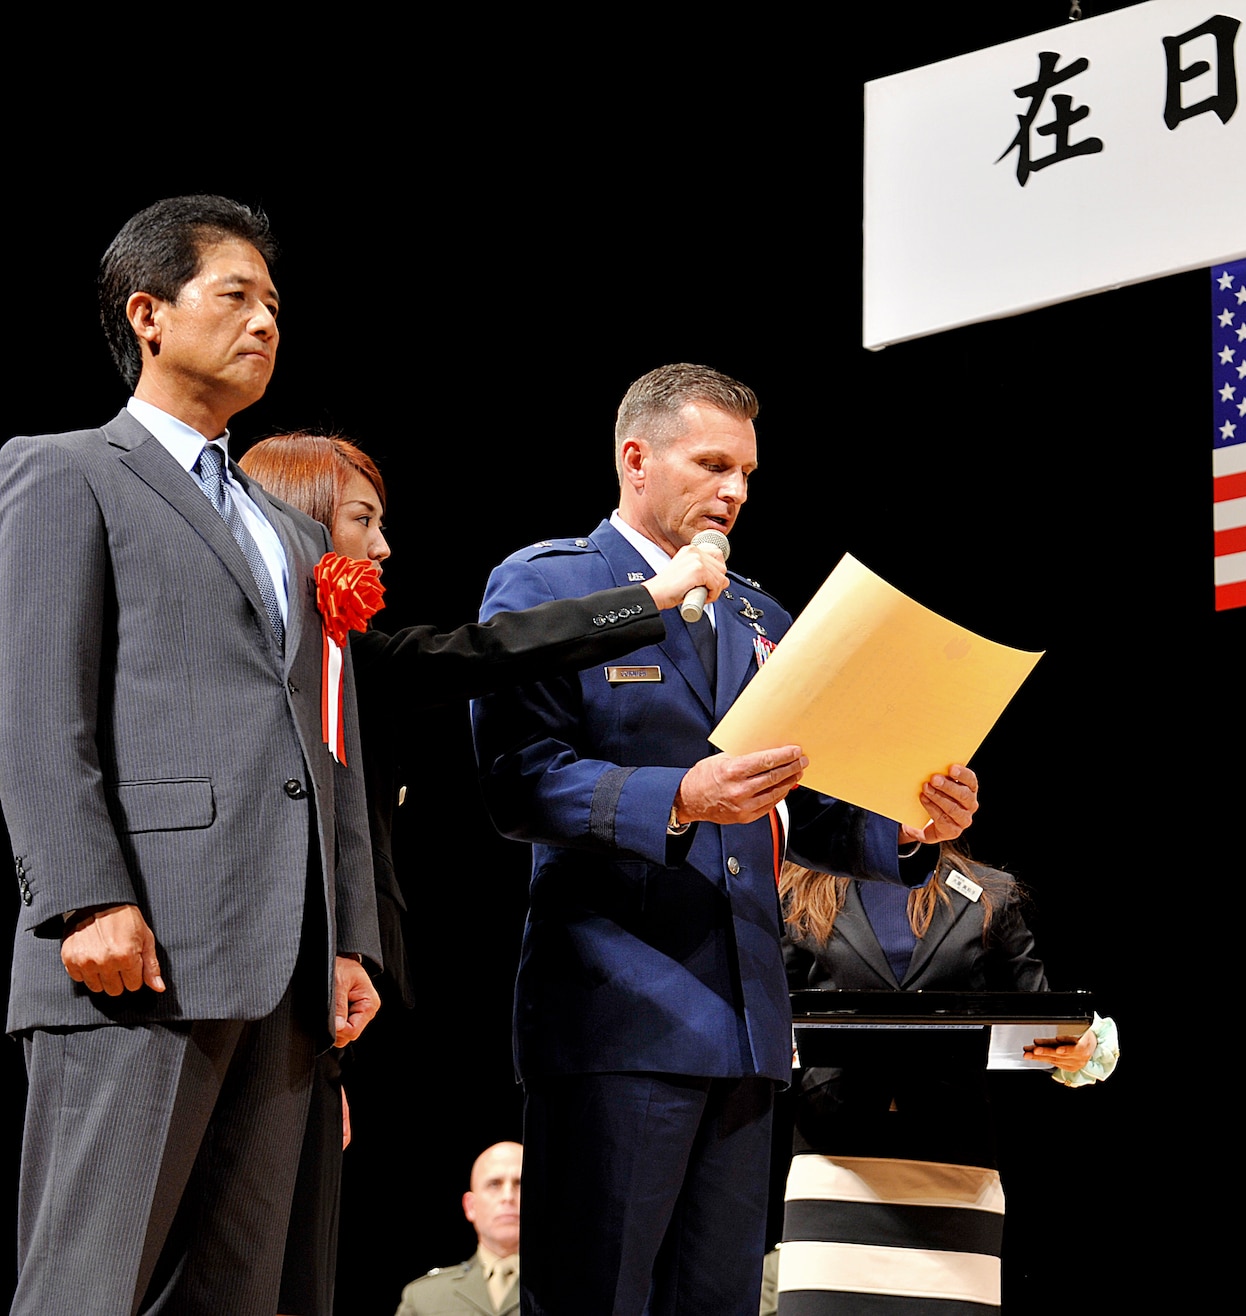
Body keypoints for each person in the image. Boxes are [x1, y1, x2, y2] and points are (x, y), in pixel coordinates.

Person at [470, 362, 982, 1316]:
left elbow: (812, 806)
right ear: (636, 459)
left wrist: (909, 828)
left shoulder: (761, 614)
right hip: (616, 1014)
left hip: (746, 1024)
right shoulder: (555, 584)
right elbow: (518, 784)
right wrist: (681, 795)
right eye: (712, 464)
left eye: (747, 471)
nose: (735, 491)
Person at [0, 196, 381, 1315]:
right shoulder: (67, 470)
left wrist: (347, 933)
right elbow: (39, 712)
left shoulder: (294, 531)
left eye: (275, 303)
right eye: (236, 295)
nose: (266, 320)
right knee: (89, 1279)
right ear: (149, 313)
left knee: (240, 1287)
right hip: (142, 946)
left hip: (285, 960)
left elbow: (330, 744)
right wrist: (83, 900)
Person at [236, 432, 717, 1316]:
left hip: (311, 1021)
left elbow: (480, 656)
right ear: (295, 529)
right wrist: (646, 600)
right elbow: (489, 649)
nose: (382, 549)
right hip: (229, 1005)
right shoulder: (233, 676)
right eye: (362, 522)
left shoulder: (353, 666)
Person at [773, 845, 1117, 1313]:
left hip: (955, 1162)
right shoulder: (804, 888)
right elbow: (772, 1006)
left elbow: (1041, 1009)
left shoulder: (989, 892)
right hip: (833, 1158)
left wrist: (1083, 1046)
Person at [394, 1141, 524, 1316]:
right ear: (470, 1206)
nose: (508, 1196)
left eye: (521, 1184)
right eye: (494, 1184)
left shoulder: (569, 1290)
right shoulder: (424, 1297)